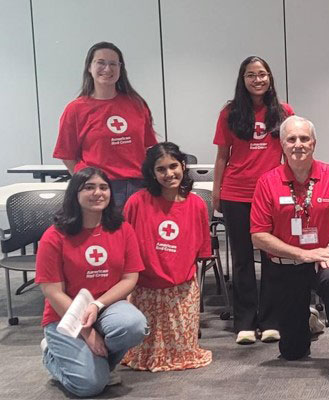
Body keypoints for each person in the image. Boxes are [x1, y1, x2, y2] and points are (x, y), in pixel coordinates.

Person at [250, 116, 329, 379]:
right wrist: (303, 254)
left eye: (304, 138)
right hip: (285, 266)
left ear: (314, 143)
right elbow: (258, 235)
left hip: (323, 261)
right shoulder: (267, 181)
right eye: (291, 139)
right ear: (282, 144)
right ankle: (308, 319)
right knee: (293, 351)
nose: (298, 144)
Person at [35, 167, 148, 397]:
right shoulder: (55, 235)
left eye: (103, 187)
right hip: (64, 316)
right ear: (74, 194)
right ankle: (51, 353)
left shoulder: (122, 229)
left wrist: (97, 306)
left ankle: (101, 368)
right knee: (89, 387)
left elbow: (130, 278)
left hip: (105, 309)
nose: (98, 193)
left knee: (134, 325)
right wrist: (86, 332)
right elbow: (52, 291)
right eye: (89, 187)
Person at [212, 56, 294, 344]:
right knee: (243, 258)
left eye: (262, 74)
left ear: (270, 77)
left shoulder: (284, 112)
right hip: (237, 193)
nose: (257, 79)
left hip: (271, 195)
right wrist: (217, 191)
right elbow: (222, 156)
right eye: (250, 75)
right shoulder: (230, 112)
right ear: (242, 79)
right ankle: (244, 321)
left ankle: (271, 320)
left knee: (273, 257)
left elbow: (290, 155)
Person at [121, 142, 212, 371]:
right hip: (146, 286)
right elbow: (126, 247)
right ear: (152, 173)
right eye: (161, 169)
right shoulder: (136, 203)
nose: (169, 174)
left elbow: (200, 251)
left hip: (181, 287)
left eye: (173, 166)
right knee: (144, 346)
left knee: (182, 351)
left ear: (183, 165)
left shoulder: (197, 204)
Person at [54, 42, 158, 208]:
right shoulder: (75, 109)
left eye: (113, 64)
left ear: (120, 68)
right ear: (89, 67)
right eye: (101, 63)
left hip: (139, 187)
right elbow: (67, 154)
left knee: (137, 234)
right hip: (100, 190)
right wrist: (86, 183)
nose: (107, 69)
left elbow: (148, 147)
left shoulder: (136, 104)